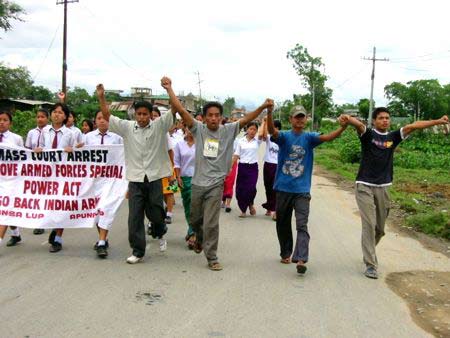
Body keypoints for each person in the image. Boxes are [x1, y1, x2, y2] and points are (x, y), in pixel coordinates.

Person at [161, 76, 274, 271]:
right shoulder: (198, 129)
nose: (213, 118)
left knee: (211, 222)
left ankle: (211, 256)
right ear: (204, 118)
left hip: (215, 184)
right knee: (196, 219)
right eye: (210, 115)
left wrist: (263, 106)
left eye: (217, 115)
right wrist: (169, 89)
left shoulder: (229, 130)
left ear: (221, 117)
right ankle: (198, 236)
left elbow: (247, 119)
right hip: (197, 184)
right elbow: (180, 110)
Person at [340, 108, 449, 279]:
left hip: (383, 186)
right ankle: (371, 264)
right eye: (381, 118)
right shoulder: (368, 135)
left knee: (380, 229)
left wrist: (438, 121)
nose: (385, 120)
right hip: (364, 185)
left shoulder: (393, 137)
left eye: (387, 118)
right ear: (374, 121)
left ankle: (368, 249)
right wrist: (348, 118)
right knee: (369, 224)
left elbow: (414, 126)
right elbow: (359, 125)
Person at [97, 84, 174, 264]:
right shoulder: (127, 127)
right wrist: (101, 97)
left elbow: (174, 109)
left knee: (155, 213)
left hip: (154, 178)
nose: (141, 117)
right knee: (135, 217)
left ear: (150, 115)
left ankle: (160, 229)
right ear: (134, 114)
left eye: (145, 114)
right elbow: (107, 116)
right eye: (138, 114)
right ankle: (138, 251)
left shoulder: (159, 126)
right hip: (135, 180)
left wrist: (169, 89)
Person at [267, 105, 347, 275]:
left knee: (302, 224)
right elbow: (272, 132)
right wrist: (269, 112)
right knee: (282, 223)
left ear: (306, 119)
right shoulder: (284, 137)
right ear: (291, 119)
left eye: (302, 117)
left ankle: (301, 258)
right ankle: (286, 252)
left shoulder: (310, 138)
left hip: (302, 189)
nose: (300, 120)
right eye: (297, 117)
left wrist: (342, 127)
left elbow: (327, 138)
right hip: (283, 188)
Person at [84, 110, 123, 258]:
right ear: (95, 121)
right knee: (96, 212)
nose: (102, 121)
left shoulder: (117, 138)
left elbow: (122, 157)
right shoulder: (87, 137)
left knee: (106, 208)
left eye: (105, 118)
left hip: (111, 180)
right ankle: (103, 238)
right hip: (93, 181)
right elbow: (80, 155)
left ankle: (101, 242)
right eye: (99, 118)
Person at [39, 102, 76, 252]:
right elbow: (40, 148)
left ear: (65, 116)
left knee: (62, 205)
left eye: (60, 112)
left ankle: (58, 239)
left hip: (63, 175)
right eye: (54, 111)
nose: (56, 114)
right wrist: (38, 150)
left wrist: (71, 150)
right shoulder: (44, 131)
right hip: (46, 174)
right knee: (48, 204)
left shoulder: (70, 134)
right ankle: (53, 228)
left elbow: (78, 156)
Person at [0, 111, 25, 247]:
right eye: (0, 120)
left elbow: (24, 159)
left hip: (10, 180)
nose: (1, 122)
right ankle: (15, 233)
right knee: (7, 210)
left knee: (4, 208)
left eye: (5, 120)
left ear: (10, 123)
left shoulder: (16, 139)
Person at [25, 108, 50, 235]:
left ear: (47, 118)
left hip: (48, 167)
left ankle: (44, 221)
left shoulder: (50, 131)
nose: (40, 119)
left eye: (43, 117)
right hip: (34, 168)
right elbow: (27, 150)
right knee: (36, 194)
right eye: (38, 117)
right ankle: (38, 221)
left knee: (46, 195)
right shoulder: (31, 133)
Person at [173, 124, 196, 249]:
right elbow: (176, 163)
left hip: (198, 179)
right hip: (185, 179)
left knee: (196, 206)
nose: (191, 131)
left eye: (193, 128)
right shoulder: (179, 145)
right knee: (188, 206)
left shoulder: (202, 144)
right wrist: (178, 177)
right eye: (188, 128)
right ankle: (191, 230)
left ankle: (193, 234)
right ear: (185, 129)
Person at [233, 122, 262, 217]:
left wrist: (265, 121)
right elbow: (236, 155)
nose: (252, 131)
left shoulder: (257, 140)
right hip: (242, 167)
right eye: (251, 129)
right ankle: (243, 210)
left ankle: (250, 204)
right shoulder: (241, 141)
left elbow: (263, 133)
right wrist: (230, 167)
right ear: (247, 129)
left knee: (251, 188)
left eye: (254, 129)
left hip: (253, 168)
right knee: (240, 190)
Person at [259, 117, 281, 221]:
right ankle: (269, 207)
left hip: (278, 166)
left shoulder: (282, 138)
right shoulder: (268, 137)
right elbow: (261, 135)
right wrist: (264, 122)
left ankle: (275, 210)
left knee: (275, 188)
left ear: (277, 128)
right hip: (268, 164)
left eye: (274, 127)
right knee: (268, 187)